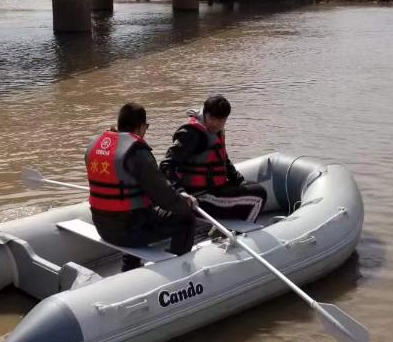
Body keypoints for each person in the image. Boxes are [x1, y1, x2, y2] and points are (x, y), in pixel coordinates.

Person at [85, 102, 198, 271]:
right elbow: (163, 195)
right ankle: (177, 269)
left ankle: (130, 265)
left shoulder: (95, 146)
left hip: (101, 226)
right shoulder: (137, 152)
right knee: (186, 218)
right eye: (146, 127)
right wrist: (185, 203)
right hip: (129, 232)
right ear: (140, 127)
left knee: (137, 209)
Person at [160, 94, 267, 224]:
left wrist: (240, 182)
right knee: (259, 195)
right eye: (213, 119)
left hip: (214, 190)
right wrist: (180, 192)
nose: (217, 124)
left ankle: (223, 227)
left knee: (251, 186)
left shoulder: (215, 131)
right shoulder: (191, 134)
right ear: (204, 113)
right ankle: (243, 232)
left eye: (221, 120)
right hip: (199, 196)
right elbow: (166, 165)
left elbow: (224, 161)